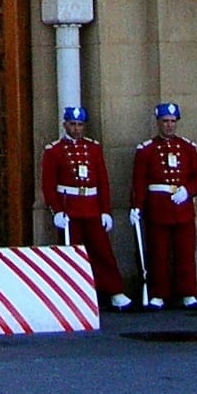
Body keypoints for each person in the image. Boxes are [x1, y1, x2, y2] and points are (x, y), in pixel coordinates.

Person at [39, 105, 132, 310]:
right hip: (69, 208)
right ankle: (74, 294)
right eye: (72, 124)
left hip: (91, 206)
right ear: (65, 125)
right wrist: (56, 210)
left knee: (102, 252)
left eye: (80, 125)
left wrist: (105, 210)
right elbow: (48, 184)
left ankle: (114, 291)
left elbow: (103, 182)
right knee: (72, 253)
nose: (77, 129)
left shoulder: (93, 148)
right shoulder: (54, 151)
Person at [131, 101, 197, 309]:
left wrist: (188, 191)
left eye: (173, 121)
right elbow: (139, 180)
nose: (169, 125)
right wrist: (137, 205)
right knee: (158, 253)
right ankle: (158, 293)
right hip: (158, 207)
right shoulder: (147, 149)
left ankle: (188, 292)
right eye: (165, 121)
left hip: (182, 206)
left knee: (185, 252)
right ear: (158, 122)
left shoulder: (187, 147)